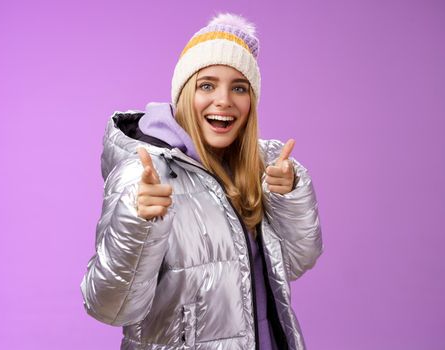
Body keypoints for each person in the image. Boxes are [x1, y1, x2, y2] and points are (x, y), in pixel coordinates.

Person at [81, 13, 323, 350]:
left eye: (239, 87)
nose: (224, 100)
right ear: (183, 93)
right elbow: (109, 306)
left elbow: (296, 264)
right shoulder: (145, 172)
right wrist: (138, 223)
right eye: (207, 85)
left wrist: (287, 196)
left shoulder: (259, 167)